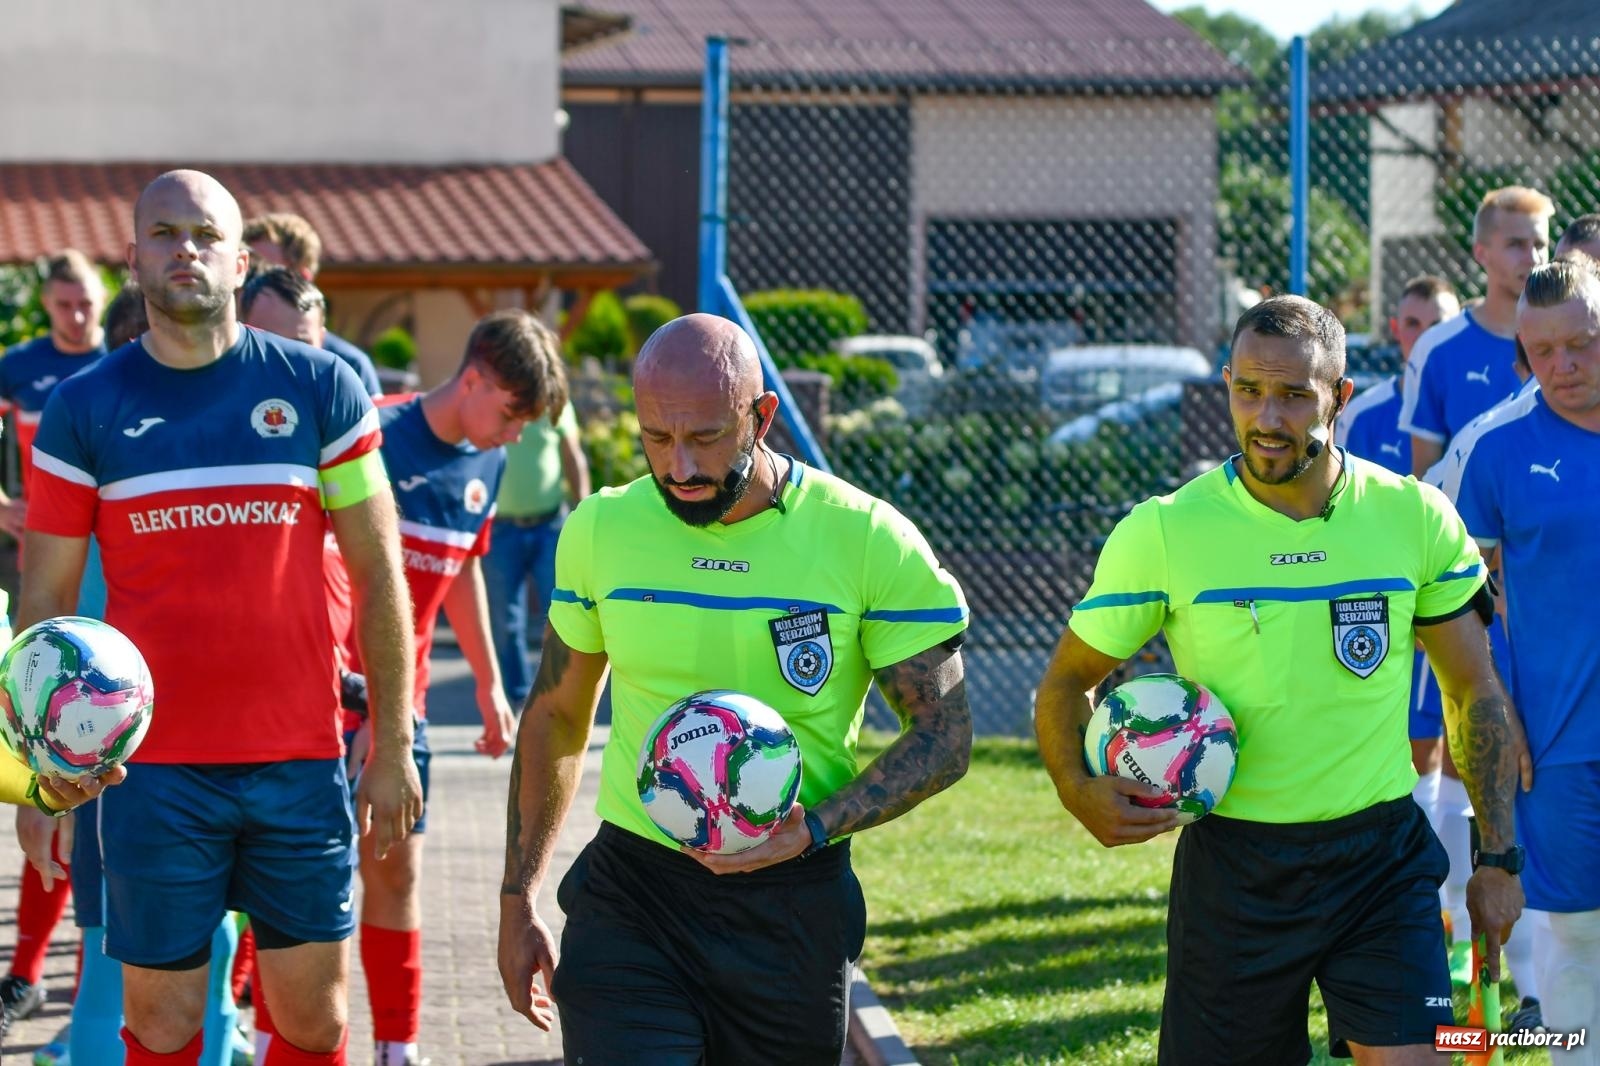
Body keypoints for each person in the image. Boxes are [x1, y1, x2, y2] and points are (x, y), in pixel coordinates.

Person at [1035, 295, 1527, 1065]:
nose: (1268, 417)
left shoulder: (1415, 518)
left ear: (1341, 396)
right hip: (1235, 869)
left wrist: (1496, 859)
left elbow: (1474, 694)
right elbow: (1068, 682)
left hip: (1381, 859)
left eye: (1296, 395)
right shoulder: (1165, 530)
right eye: (1249, 390)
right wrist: (1077, 786)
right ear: (1227, 384)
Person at [17, 169, 422, 1066]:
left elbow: (378, 568)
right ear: (132, 259)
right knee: (161, 1025)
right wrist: (35, 779)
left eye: (204, 234)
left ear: (242, 259)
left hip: (299, 759)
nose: (184, 250)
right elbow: (43, 603)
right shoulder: (85, 407)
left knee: (312, 1023)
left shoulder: (322, 391)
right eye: (163, 234)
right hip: (149, 776)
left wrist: (390, 742)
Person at [497, 313, 972, 1064]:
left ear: (763, 416)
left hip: (791, 902)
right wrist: (517, 895)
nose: (679, 465)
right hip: (635, 894)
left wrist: (812, 826)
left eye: (707, 437)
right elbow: (557, 712)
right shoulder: (602, 530)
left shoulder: (868, 539)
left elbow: (945, 736)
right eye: (657, 437)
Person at [250, 292, 554, 1066]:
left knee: (396, 870)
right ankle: (269, 1036)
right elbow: (298, 553)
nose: (516, 434)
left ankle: (398, 1048)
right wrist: (335, 685)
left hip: (403, 709)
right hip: (316, 702)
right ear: (476, 378)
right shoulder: (371, 429)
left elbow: (463, 571)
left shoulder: (487, 460)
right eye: (513, 413)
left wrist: (488, 683)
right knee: (300, 879)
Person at [1440, 256, 1600, 1064]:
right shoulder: (1498, 448)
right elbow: (1465, 605)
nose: (1565, 366)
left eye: (1584, 343)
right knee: (1577, 935)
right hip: (1561, 746)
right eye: (1544, 352)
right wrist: (1499, 708)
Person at [0, 249, 110, 1034]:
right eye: (65, 305)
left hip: (110, 589)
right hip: (38, 578)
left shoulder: (119, 367)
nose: (78, 317)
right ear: (48, 305)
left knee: (89, 780)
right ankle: (24, 976)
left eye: (87, 304)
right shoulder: (21, 366)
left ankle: (90, 981)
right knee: (42, 773)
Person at [1401, 185, 1553, 478]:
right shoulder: (1436, 348)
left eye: (1540, 244)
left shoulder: (1571, 343)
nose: (1533, 258)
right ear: (1481, 253)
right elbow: (1425, 475)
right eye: (1515, 245)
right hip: (1465, 522)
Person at [481, 389, 590, 706]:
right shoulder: (497, 399)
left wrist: (583, 517)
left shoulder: (555, 402)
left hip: (549, 526)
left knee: (563, 615)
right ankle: (518, 701)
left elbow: (572, 456)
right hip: (499, 529)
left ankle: (559, 695)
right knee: (505, 621)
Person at [243, 212, 383, 397]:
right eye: (248, 268)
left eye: (266, 271)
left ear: (303, 278)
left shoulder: (350, 365)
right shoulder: (226, 352)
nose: (249, 279)